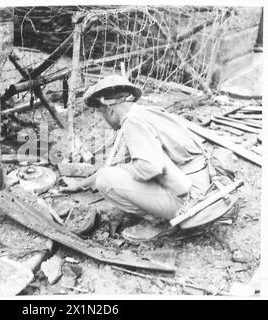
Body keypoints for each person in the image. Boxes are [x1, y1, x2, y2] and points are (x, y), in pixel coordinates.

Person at [60, 75, 211, 240]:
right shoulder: (145, 113)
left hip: (190, 203)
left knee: (105, 180)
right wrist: (81, 184)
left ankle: (159, 222)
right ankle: (163, 214)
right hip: (202, 188)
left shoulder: (133, 123)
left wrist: (119, 172)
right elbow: (129, 163)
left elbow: (149, 168)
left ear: (109, 109)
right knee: (117, 170)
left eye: (102, 113)